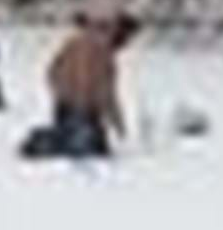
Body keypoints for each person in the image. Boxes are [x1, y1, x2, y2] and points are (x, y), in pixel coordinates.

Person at [20, 11, 140, 158]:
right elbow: (106, 94)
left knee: (92, 146)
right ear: (120, 32)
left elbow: (52, 71)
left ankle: (59, 136)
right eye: (127, 39)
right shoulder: (102, 51)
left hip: (65, 105)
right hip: (82, 109)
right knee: (91, 149)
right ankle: (45, 141)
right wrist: (117, 124)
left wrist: (60, 94)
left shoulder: (78, 39)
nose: (126, 45)